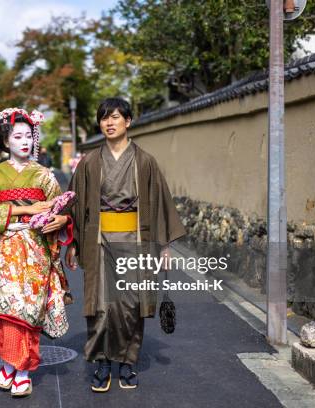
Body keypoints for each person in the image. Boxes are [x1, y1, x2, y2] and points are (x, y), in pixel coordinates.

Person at [65, 97, 186, 392]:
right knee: (101, 306)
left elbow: (159, 204)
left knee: (130, 305)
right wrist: (73, 242)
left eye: (115, 117)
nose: (109, 122)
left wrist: (164, 246)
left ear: (128, 121)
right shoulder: (90, 162)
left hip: (136, 240)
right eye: (104, 118)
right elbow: (75, 203)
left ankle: (128, 363)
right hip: (99, 240)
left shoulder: (145, 161)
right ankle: (103, 363)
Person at [0, 107, 73, 398]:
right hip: (6, 247)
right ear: (5, 141)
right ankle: (11, 364)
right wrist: (27, 209)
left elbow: (61, 207)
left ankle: (22, 370)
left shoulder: (44, 175)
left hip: (36, 247)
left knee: (31, 308)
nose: (24, 142)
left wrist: (59, 218)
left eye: (28, 136)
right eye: (17, 136)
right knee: (7, 308)